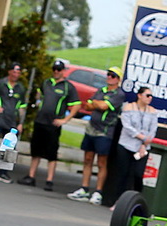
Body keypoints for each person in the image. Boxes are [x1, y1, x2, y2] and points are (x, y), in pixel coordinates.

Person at [17, 59, 80, 191]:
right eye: (54, 69)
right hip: (40, 121)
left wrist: (65, 120)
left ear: (63, 71)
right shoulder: (46, 82)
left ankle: (49, 180)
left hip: (53, 124)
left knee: (52, 152)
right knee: (36, 150)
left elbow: (76, 105)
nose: (56, 72)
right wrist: (38, 101)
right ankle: (31, 176)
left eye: (59, 70)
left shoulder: (68, 87)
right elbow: (39, 94)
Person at [68, 66, 126, 205]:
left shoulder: (119, 94)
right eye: (108, 74)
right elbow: (87, 106)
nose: (109, 77)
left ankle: (98, 191)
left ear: (118, 79)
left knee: (101, 162)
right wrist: (97, 104)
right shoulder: (101, 91)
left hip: (104, 130)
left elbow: (104, 106)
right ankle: (84, 188)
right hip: (91, 128)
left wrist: (97, 104)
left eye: (113, 75)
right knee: (88, 159)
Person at [103, 87, 158, 207]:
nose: (150, 98)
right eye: (147, 95)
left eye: (151, 96)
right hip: (126, 144)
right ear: (139, 95)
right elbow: (127, 126)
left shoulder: (153, 112)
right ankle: (118, 201)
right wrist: (141, 137)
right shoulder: (128, 108)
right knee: (122, 174)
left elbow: (153, 130)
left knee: (138, 174)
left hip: (142, 148)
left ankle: (136, 202)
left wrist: (144, 143)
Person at [0, 62, 26, 183]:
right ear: (9, 71)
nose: (15, 74)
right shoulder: (0, 83)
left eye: (18, 72)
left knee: (10, 146)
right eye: (14, 72)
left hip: (11, 121)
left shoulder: (20, 88)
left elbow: (22, 107)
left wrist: (21, 122)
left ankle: (3, 172)